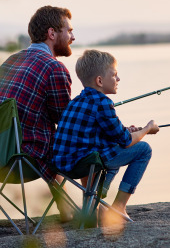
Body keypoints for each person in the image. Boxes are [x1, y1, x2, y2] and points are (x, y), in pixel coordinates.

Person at [52, 49, 159, 224]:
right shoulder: (103, 103)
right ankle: (118, 206)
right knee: (143, 150)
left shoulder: (75, 102)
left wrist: (126, 130)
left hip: (63, 165)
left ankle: (96, 201)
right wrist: (147, 129)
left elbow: (99, 131)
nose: (118, 79)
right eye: (115, 75)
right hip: (86, 163)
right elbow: (125, 141)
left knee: (112, 147)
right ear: (100, 81)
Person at [0, 5, 75, 221]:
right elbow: (65, 123)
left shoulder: (11, 60)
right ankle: (86, 212)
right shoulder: (54, 68)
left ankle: (66, 209)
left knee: (44, 136)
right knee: (76, 139)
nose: (73, 37)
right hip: (23, 162)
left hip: (2, 155)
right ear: (52, 33)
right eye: (68, 31)